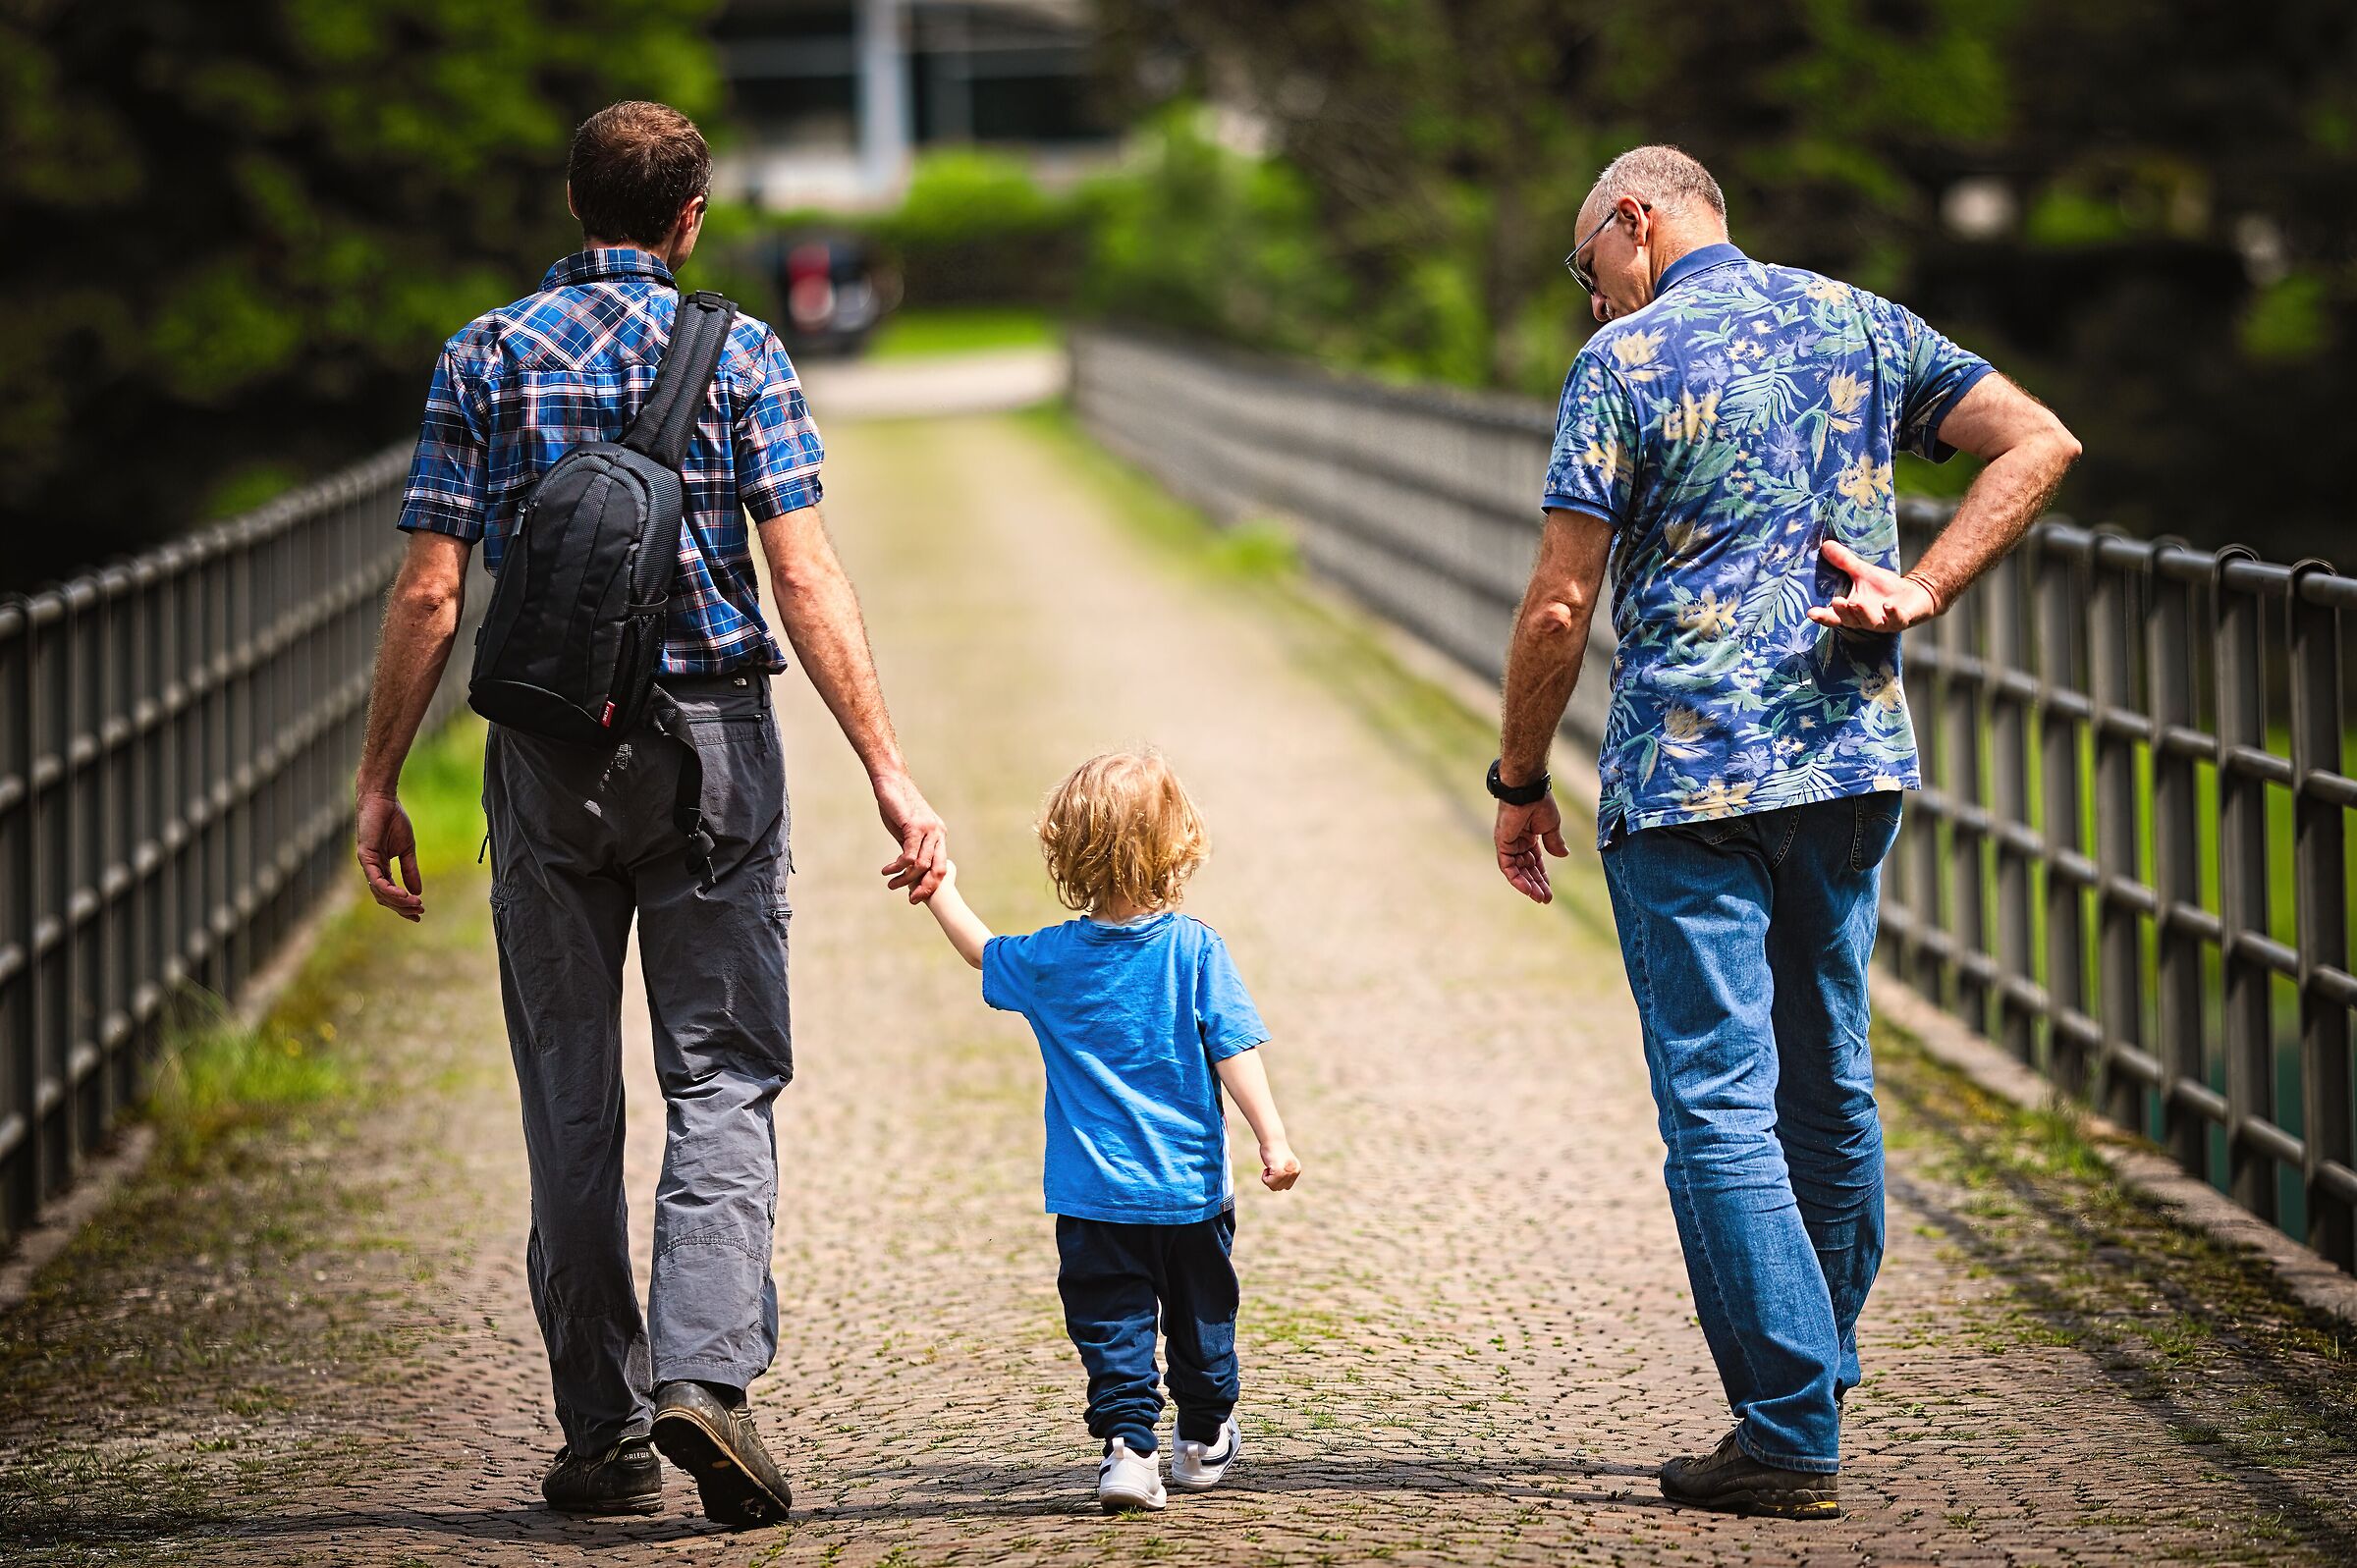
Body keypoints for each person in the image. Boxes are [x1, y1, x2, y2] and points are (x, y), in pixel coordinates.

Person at [352, 100, 950, 1527]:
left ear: (574, 202)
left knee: (569, 1095)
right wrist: (886, 762)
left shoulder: (483, 354)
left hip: (546, 761)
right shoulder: (739, 352)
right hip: (714, 758)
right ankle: (705, 1378)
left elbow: (434, 593)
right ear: (692, 218)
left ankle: (602, 1436)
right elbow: (804, 578)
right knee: (723, 1073)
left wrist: (378, 779)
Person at [1488, 146, 2080, 1518]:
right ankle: (1812, 1370)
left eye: (1592, 271)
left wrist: (1519, 780)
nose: (1593, 303)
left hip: (1692, 787)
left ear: (1635, 221)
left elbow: (1561, 607)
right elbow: (2038, 439)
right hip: (1850, 761)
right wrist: (1921, 591)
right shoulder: (1862, 321)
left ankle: (1787, 1429)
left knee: (1719, 1103)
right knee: (1831, 1082)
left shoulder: (1624, 367)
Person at [909, 748, 1302, 1513]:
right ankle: (1201, 1431)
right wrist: (1273, 1137)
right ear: (1178, 845)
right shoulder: (1195, 949)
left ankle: (1128, 1450)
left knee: (1111, 1328)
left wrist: (941, 889)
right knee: (1205, 1325)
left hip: (1091, 1199)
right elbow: (1235, 1050)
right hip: (1189, 1193)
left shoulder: (1053, 958)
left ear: (1068, 849)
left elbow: (979, 951)